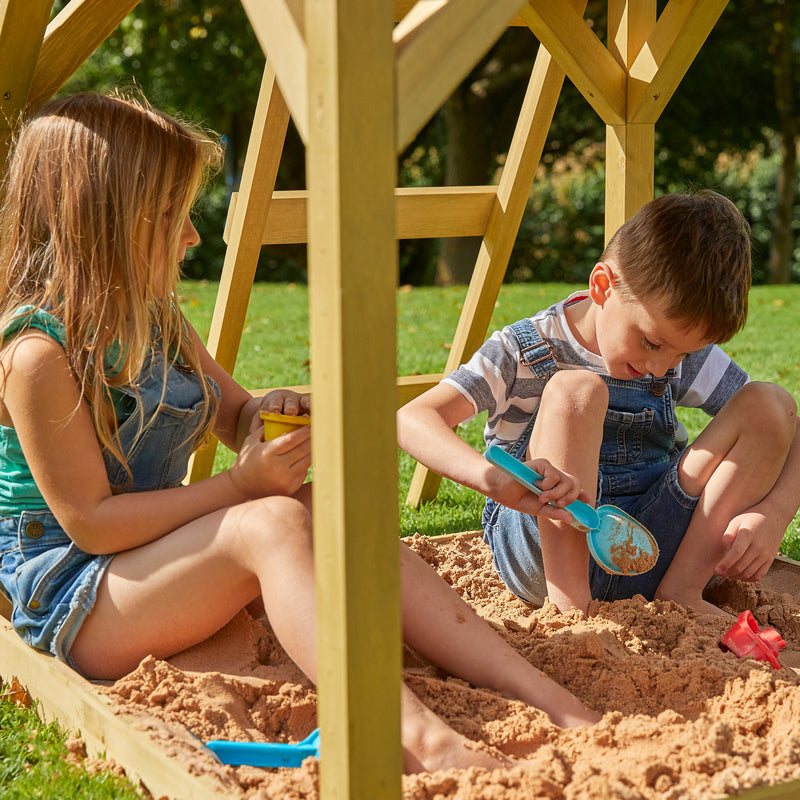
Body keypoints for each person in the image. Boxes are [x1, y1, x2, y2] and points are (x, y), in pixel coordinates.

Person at [0, 91, 599, 774]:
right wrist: (240, 486)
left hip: (152, 559)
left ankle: (531, 686)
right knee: (271, 523)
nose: (193, 235)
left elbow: (233, 416)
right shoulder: (35, 356)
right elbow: (95, 525)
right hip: (79, 597)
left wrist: (267, 414)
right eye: (170, 216)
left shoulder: (153, 315)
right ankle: (414, 739)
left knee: (322, 511)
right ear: (98, 224)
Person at [398, 190, 800, 619]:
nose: (659, 368)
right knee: (578, 392)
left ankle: (683, 590)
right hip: (543, 553)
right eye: (651, 342)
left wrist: (774, 514)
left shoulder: (675, 347)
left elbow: (783, 428)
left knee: (770, 403)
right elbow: (413, 418)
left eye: (680, 356)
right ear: (602, 285)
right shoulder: (525, 348)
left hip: (655, 546)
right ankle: (571, 610)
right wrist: (491, 480)